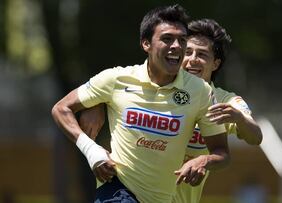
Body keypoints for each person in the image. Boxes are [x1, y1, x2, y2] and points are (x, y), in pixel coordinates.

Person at [51, 4, 230, 203]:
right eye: (167, 39)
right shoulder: (116, 79)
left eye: (182, 40)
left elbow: (222, 153)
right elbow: (61, 108)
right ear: (146, 44)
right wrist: (91, 150)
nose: (177, 46)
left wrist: (203, 160)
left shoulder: (200, 91)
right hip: (118, 189)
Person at [79, 18, 263, 203]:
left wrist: (239, 118)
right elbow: (118, 90)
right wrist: (98, 104)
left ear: (215, 63)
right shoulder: (156, 87)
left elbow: (255, 136)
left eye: (201, 54)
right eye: (188, 52)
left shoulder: (223, 101)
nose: (192, 60)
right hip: (130, 193)